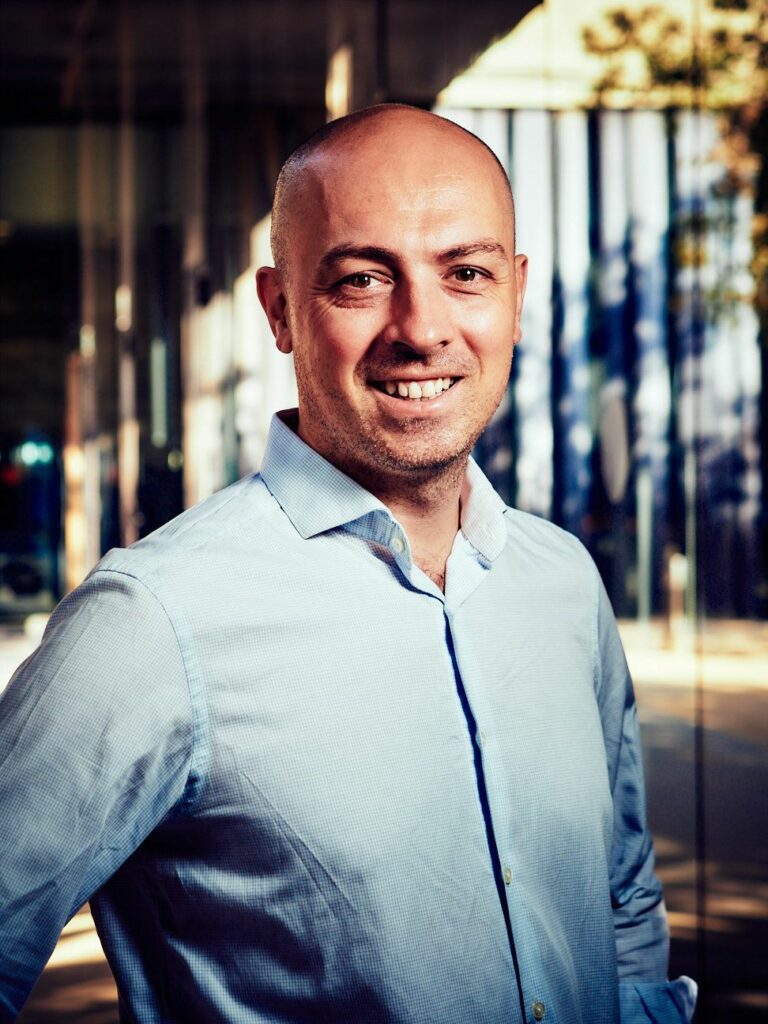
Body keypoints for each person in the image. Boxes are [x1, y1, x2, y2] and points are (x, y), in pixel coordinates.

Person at [0, 105, 696, 1024]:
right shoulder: (150, 624)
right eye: (363, 280)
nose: (422, 327)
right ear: (281, 311)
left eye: (467, 273)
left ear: (517, 297)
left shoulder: (562, 583)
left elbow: (624, 904)